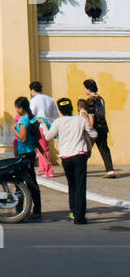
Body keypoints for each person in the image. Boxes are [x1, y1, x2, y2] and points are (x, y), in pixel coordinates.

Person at [44, 96, 96, 225]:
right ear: (71, 107)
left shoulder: (58, 122)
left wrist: (43, 125)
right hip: (79, 154)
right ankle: (80, 217)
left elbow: (48, 136)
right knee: (80, 185)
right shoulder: (80, 119)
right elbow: (92, 133)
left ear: (60, 110)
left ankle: (73, 211)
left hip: (66, 157)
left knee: (71, 184)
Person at [13, 96, 43, 219]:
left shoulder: (23, 120)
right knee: (30, 182)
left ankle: (22, 209)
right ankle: (35, 209)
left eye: (16, 107)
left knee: (22, 182)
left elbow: (23, 137)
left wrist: (14, 130)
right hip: (29, 153)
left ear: (20, 108)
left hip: (25, 154)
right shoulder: (30, 119)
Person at [82, 79, 116, 178]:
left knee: (86, 149)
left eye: (85, 88)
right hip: (103, 126)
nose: (84, 90)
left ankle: (80, 170)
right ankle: (110, 171)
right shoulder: (101, 99)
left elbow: (91, 114)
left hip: (94, 127)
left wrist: (91, 126)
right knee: (104, 148)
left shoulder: (90, 100)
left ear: (88, 88)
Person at [28, 81, 58, 177]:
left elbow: (31, 114)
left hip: (39, 126)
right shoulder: (50, 99)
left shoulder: (34, 100)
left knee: (43, 149)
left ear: (32, 90)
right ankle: (42, 168)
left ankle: (49, 171)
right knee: (41, 147)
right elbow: (55, 115)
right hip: (49, 126)